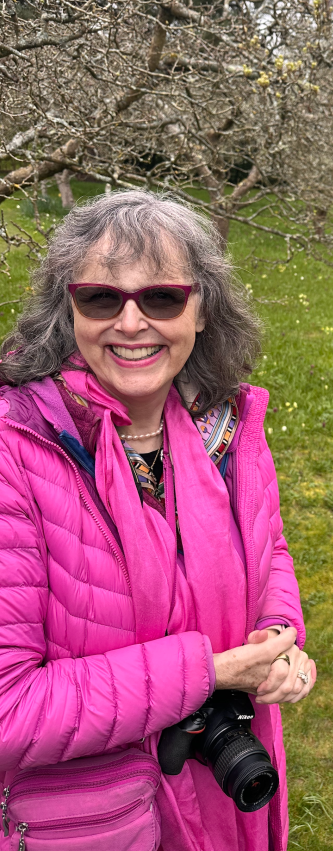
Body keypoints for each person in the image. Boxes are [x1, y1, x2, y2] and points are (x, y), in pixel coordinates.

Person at [0, 192, 315, 851]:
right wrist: (211, 671)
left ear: (201, 310)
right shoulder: (18, 451)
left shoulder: (224, 432)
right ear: (69, 311)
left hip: (226, 796)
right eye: (101, 299)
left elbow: (269, 554)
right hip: (94, 825)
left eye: (163, 298)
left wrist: (277, 641)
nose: (132, 322)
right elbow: (10, 710)